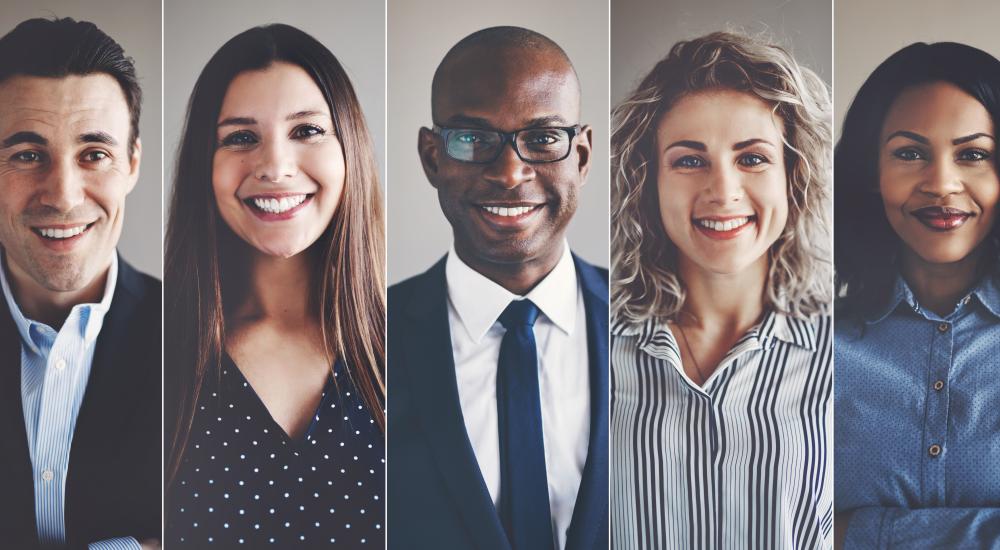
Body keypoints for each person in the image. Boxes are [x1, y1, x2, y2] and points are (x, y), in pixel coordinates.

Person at [163, 24, 385, 548]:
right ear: (205, 165)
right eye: (241, 137)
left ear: (348, 146)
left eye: (306, 130)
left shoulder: (423, 345)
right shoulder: (156, 347)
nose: (275, 167)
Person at [387, 26, 608, 550]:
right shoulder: (362, 339)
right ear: (431, 156)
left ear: (581, 155)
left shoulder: (654, 323)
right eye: (473, 139)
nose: (510, 172)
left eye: (543, 139)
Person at [610, 31, 833, 548]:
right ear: (649, 180)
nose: (723, 190)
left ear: (792, 176)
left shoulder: (847, 352)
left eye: (752, 158)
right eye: (690, 160)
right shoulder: (590, 347)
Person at [0, 17, 160, 550]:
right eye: (27, 155)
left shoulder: (207, 334)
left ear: (133, 163)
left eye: (95, 154)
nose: (64, 196)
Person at [834, 42, 1000, 549]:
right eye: (910, 153)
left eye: (972, 155)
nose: (942, 184)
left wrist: (860, 534)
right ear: (871, 173)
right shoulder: (815, 347)